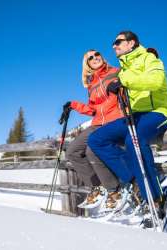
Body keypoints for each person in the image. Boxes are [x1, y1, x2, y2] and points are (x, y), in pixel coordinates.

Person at [88, 31, 167, 210]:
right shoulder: (124, 68)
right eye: (114, 43)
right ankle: (135, 179)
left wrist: (124, 80)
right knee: (96, 139)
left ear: (131, 43)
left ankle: (156, 198)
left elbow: (156, 80)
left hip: (157, 112)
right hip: (134, 116)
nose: (114, 46)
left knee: (133, 140)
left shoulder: (149, 58)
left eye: (118, 42)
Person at [60, 49, 123, 207]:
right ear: (87, 64)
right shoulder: (92, 84)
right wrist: (73, 105)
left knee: (91, 150)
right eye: (90, 58)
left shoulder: (117, 72)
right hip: (97, 123)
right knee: (72, 151)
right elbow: (93, 109)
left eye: (97, 55)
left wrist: (120, 86)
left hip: (114, 119)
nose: (95, 58)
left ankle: (114, 189)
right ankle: (97, 186)